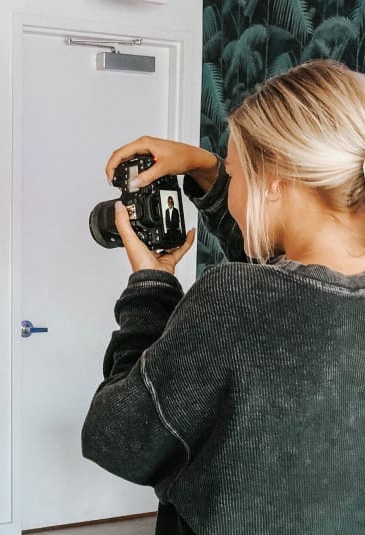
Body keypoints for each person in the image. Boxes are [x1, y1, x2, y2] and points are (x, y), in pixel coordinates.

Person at [81, 59, 365, 534]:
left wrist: (149, 288)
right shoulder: (270, 300)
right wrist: (205, 167)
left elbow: (118, 439)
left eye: (234, 173)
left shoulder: (234, 298)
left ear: (275, 180)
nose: (229, 187)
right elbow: (291, 283)